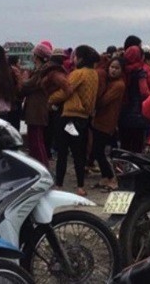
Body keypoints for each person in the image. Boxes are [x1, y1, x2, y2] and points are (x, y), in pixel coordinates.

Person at [48, 45, 100, 196]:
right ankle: (80, 186)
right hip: (84, 118)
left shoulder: (78, 73)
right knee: (79, 153)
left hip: (69, 116)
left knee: (62, 151)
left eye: (76, 56)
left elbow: (65, 92)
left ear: (81, 58)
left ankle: (59, 185)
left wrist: (50, 99)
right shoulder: (94, 74)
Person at [21, 43, 70, 168]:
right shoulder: (43, 70)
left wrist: (21, 79)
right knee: (35, 140)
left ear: (37, 56)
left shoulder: (43, 72)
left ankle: (43, 167)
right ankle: (38, 166)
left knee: (37, 141)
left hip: (37, 108)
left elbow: (29, 85)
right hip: (36, 108)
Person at [91, 57, 126, 191]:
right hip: (101, 120)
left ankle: (111, 177)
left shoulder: (118, 85)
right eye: (112, 67)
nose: (113, 70)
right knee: (98, 150)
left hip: (107, 122)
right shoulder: (110, 82)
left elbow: (103, 101)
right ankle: (105, 177)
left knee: (99, 151)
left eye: (117, 68)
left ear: (121, 70)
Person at [118, 45, 150, 153]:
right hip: (137, 116)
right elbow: (144, 92)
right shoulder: (140, 72)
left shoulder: (122, 70)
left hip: (122, 113)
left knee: (124, 146)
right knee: (136, 149)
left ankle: (121, 168)